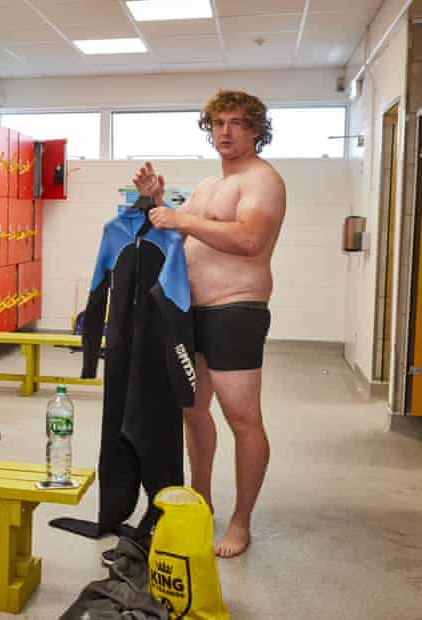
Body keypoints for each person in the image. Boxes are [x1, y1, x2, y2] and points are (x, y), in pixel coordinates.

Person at [134, 90, 286, 558]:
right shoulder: (206, 186)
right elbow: (179, 231)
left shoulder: (262, 180)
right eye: (217, 123)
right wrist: (153, 202)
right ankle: (201, 499)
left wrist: (181, 218)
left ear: (256, 130)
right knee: (193, 412)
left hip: (234, 311)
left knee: (242, 419)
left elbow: (248, 238)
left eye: (237, 123)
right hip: (191, 313)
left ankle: (241, 523)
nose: (225, 132)